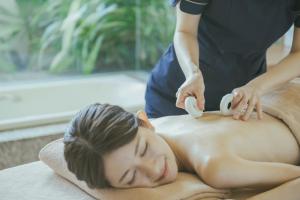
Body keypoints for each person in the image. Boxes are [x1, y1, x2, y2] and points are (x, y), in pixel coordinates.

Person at [63, 103, 300, 200]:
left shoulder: (216, 166)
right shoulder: (162, 124)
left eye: (144, 150)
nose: (153, 169)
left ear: (145, 121)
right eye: (131, 177)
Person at [145, 0, 300, 120]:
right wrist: (193, 73)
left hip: (239, 101)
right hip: (179, 93)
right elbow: (185, 31)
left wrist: (257, 87)